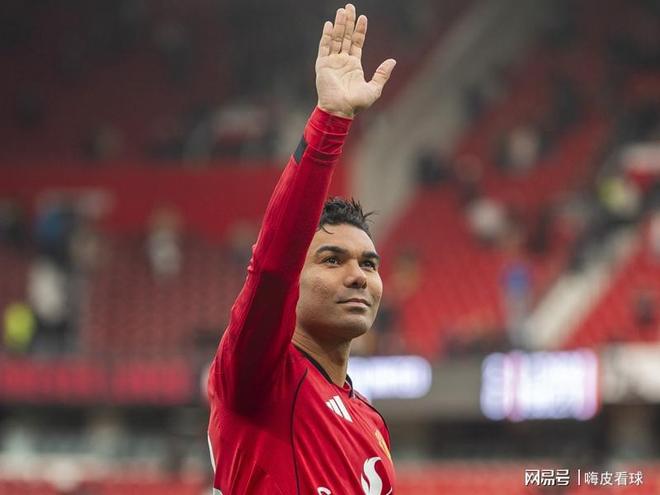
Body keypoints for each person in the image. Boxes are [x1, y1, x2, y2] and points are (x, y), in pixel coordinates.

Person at [206, 4, 396, 494]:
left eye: (369, 264)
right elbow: (272, 268)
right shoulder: (257, 377)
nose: (358, 276)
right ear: (295, 279)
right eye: (331, 260)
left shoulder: (372, 422)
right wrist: (331, 121)